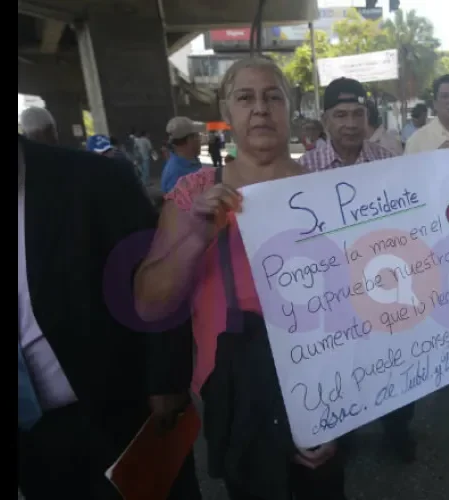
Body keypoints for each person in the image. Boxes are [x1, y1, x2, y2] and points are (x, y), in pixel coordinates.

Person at [133, 56, 346, 500]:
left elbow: (357, 300)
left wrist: (342, 410)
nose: (261, 109)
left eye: (273, 97)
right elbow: (149, 303)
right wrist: (196, 237)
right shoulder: (194, 194)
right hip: (237, 392)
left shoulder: (331, 191)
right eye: (245, 98)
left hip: (324, 376)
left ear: (291, 108)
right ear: (227, 114)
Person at [17, 135, 199, 500]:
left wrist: (167, 382)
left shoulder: (92, 178)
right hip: (33, 440)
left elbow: (157, 273)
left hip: (120, 415)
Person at [297, 77, 416, 464]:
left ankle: (397, 431)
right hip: (333, 287)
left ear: (368, 117)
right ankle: (342, 433)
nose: (350, 123)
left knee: (394, 362)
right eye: (341, 114)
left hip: (384, 280)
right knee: (341, 364)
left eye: (358, 114)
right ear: (326, 119)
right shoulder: (302, 169)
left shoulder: (387, 162)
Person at [161, 117, 204, 194]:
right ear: (190, 139)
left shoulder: (192, 162)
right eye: (197, 136)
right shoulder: (176, 173)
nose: (200, 140)